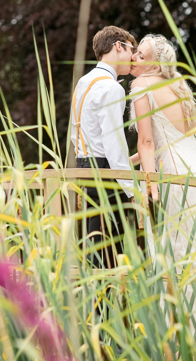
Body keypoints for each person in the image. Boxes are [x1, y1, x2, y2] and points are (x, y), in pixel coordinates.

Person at [128, 34, 196, 264]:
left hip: (174, 179)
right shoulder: (178, 87)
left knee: (172, 255)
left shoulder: (140, 84)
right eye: (135, 51)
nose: (133, 57)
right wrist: (125, 163)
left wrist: (150, 185)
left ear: (154, 65)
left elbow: (147, 142)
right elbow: (166, 142)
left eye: (140, 56)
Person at [70, 26, 137, 269]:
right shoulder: (112, 88)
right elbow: (114, 143)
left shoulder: (84, 81)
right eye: (132, 49)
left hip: (83, 168)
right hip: (106, 171)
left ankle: (96, 304)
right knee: (111, 248)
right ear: (118, 46)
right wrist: (131, 188)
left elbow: (73, 134)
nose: (134, 56)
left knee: (94, 242)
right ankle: (111, 305)